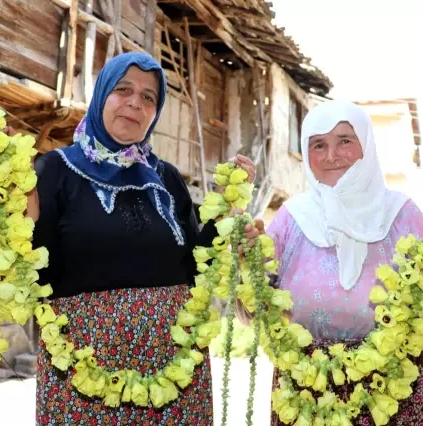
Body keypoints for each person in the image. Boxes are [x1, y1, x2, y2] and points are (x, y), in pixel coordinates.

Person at [27, 52, 257, 425]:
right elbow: (34, 275)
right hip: (83, 369)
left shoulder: (165, 179)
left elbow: (195, 267)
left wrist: (227, 216)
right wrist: (27, 220)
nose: (136, 102)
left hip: (175, 367)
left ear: (155, 112)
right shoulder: (55, 170)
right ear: (102, 95)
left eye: (149, 97)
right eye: (123, 90)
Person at [264, 100, 423, 425]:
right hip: (305, 391)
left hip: (394, 390)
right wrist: (247, 272)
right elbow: (254, 306)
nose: (331, 155)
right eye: (319, 144)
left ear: (366, 145)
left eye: (345, 140)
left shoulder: (402, 215)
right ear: (305, 150)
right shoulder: (290, 219)